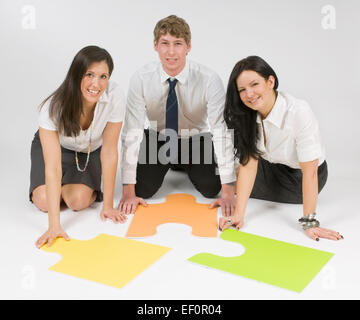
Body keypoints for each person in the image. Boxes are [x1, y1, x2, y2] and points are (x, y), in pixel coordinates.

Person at [118, 15, 236, 215]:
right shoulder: (141, 78)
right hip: (158, 137)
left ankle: (183, 163)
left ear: (188, 46)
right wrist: (128, 189)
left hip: (195, 138)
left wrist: (228, 190)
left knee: (211, 189)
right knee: (142, 190)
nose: (171, 51)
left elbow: (220, 130)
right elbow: (132, 130)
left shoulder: (209, 79)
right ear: (155, 45)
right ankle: (172, 162)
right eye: (165, 43)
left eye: (178, 44)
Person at [220, 55, 343, 241]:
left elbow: (310, 171)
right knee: (221, 172)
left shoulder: (299, 112)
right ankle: (179, 162)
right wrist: (238, 215)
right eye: (242, 90)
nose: (249, 94)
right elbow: (249, 163)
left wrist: (309, 222)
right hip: (271, 165)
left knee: (220, 180)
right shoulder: (248, 114)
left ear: (271, 81)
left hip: (300, 176)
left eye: (255, 84)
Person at [30, 46, 127, 248]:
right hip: (57, 147)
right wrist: (54, 226)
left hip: (90, 151)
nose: (96, 83)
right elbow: (53, 167)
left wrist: (108, 206)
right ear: (76, 75)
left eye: (103, 76)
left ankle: (68, 187)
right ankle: (61, 188)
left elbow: (109, 152)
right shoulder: (53, 107)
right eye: (89, 74)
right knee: (43, 200)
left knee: (78, 201)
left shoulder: (115, 96)